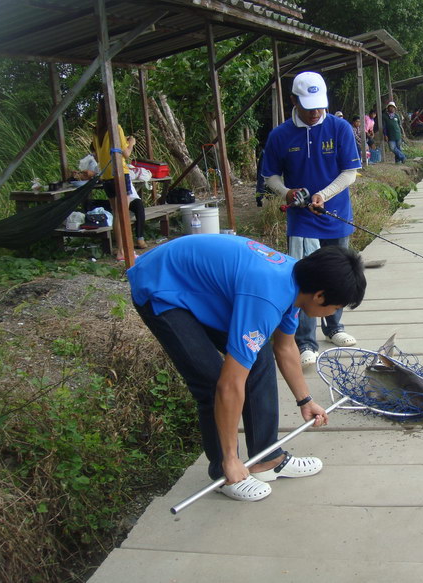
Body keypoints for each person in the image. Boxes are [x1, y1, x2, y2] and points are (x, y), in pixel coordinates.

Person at [128, 236, 366, 501]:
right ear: (320, 295)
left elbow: (285, 348)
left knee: (259, 355)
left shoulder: (296, 282)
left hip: (199, 285)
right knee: (212, 381)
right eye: (336, 307)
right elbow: (229, 384)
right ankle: (224, 471)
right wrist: (231, 458)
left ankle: (266, 459)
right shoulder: (268, 296)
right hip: (161, 284)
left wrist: (305, 400)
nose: (333, 312)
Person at [261, 71, 362, 367]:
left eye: (320, 105)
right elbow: (271, 176)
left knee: (340, 273)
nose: (316, 112)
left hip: (337, 215)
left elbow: (349, 173)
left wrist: (323, 195)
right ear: (293, 100)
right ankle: (305, 340)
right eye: (309, 106)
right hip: (301, 220)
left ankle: (334, 327)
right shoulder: (280, 135)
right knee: (305, 279)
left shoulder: (340, 127)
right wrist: (287, 192)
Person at [93, 98, 148, 259]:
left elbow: (97, 156)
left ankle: (121, 250)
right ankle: (124, 251)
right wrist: (131, 142)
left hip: (106, 178)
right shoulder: (116, 128)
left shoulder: (97, 132)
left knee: (117, 213)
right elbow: (126, 153)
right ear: (113, 112)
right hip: (119, 174)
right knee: (122, 214)